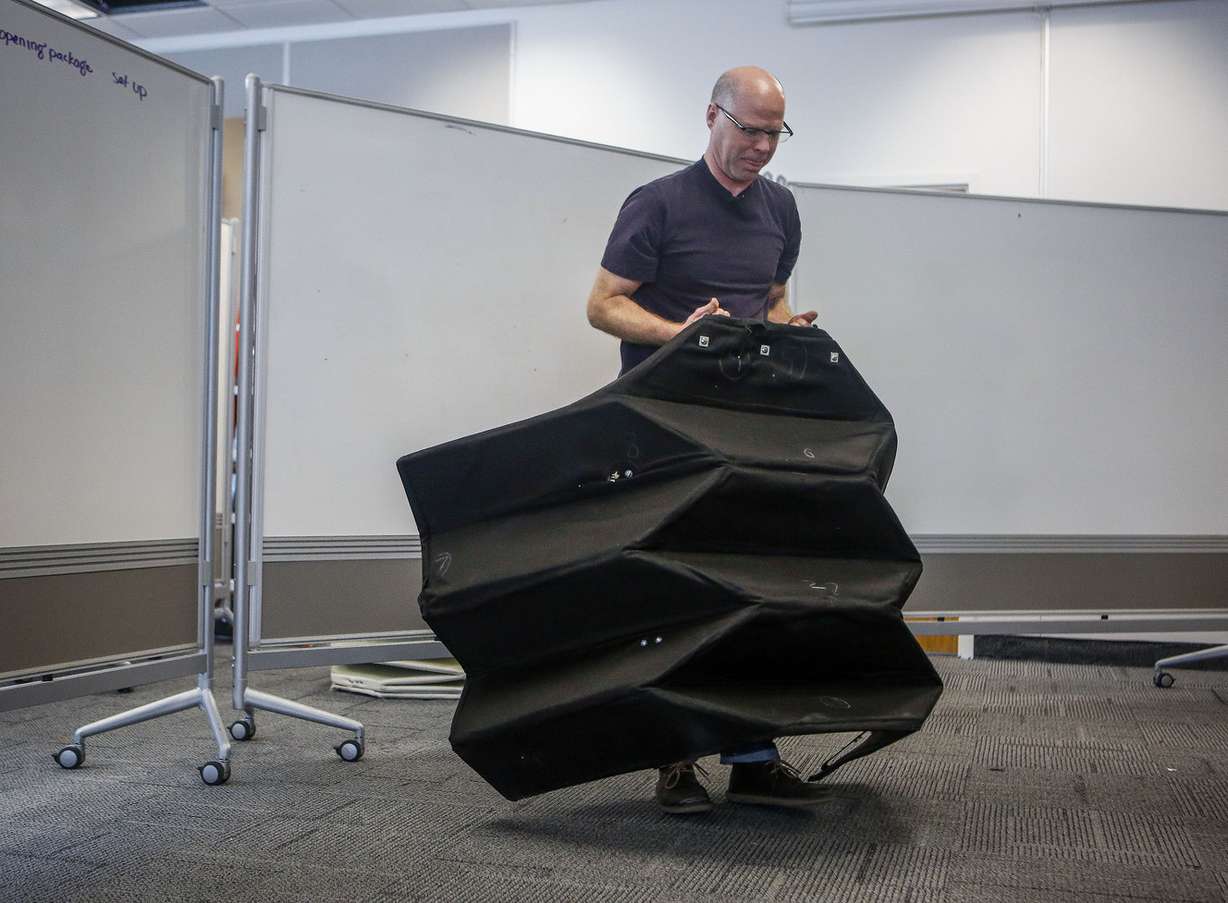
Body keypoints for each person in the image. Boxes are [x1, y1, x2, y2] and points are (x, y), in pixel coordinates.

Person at [586, 66, 826, 814]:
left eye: (773, 132)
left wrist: (789, 329)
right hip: (663, 424)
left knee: (750, 592)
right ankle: (675, 759)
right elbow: (602, 305)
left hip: (749, 427)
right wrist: (678, 335)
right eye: (749, 129)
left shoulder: (781, 207)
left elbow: (775, 295)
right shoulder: (656, 204)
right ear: (712, 116)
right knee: (675, 592)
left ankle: (753, 755)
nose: (760, 146)